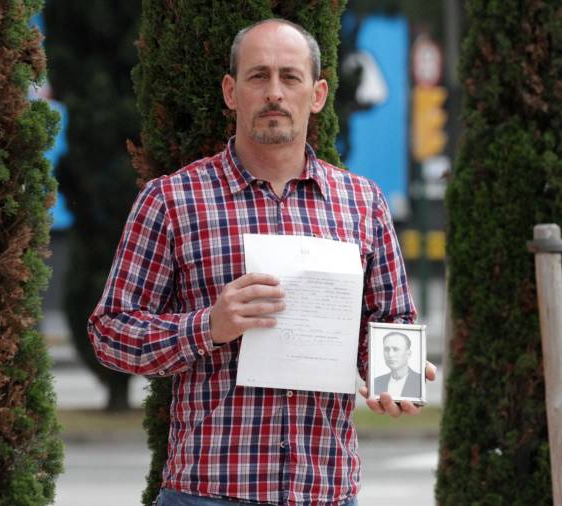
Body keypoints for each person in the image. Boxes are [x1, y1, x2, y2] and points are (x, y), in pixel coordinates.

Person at [89, 18, 436, 506]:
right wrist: (208, 326)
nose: (274, 92)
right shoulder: (172, 201)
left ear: (317, 95)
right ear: (231, 92)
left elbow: (389, 321)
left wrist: (393, 377)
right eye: (258, 76)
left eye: (289, 77)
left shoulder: (363, 203)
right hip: (208, 492)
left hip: (326, 490)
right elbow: (110, 333)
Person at [373, 332, 422, 398]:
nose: (390, 355)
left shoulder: (419, 380)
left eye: (396, 349)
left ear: (408, 353)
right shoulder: (377, 382)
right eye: (386, 349)